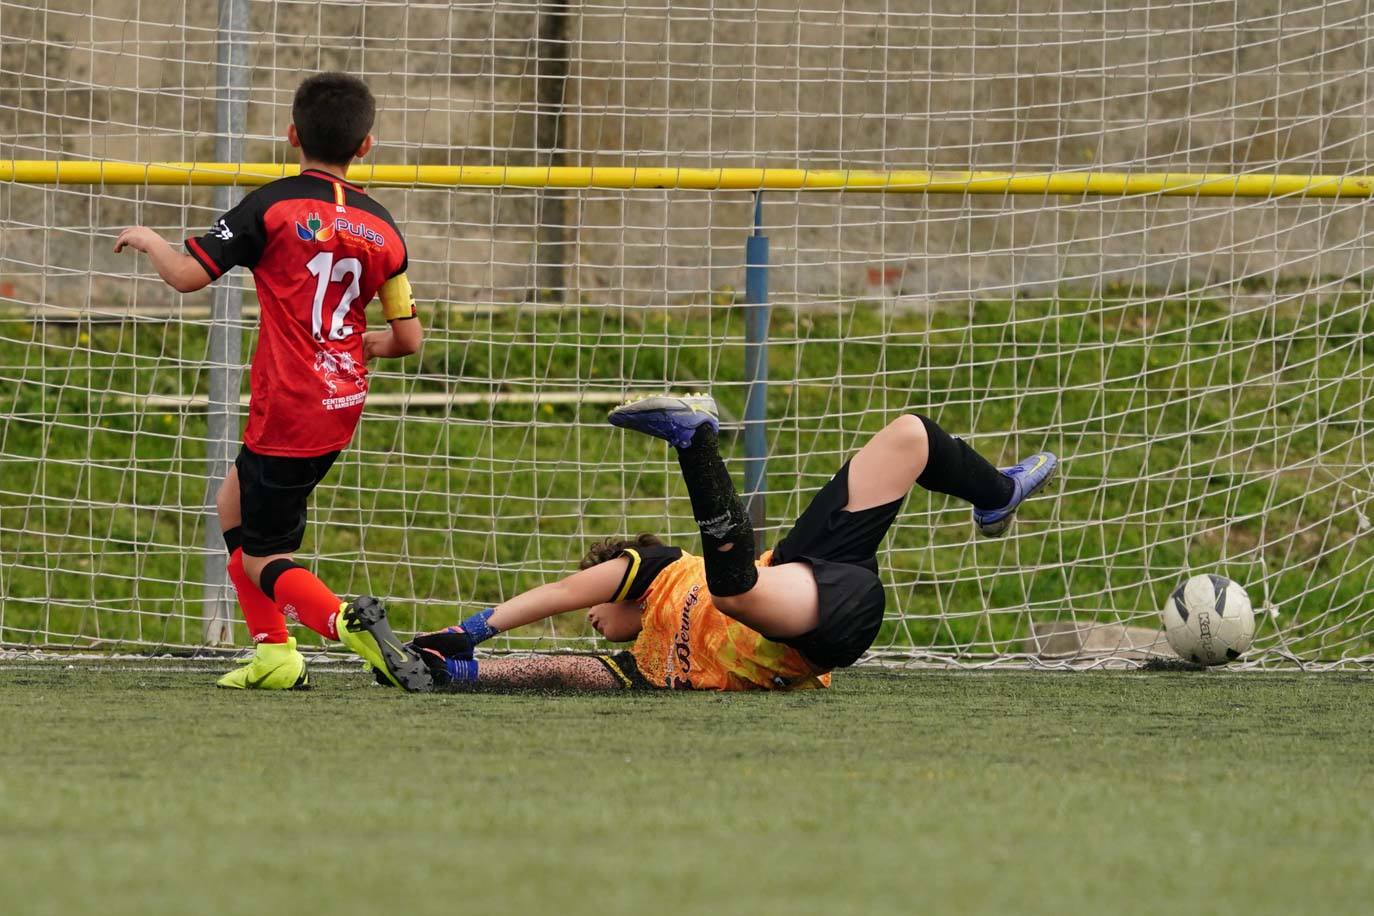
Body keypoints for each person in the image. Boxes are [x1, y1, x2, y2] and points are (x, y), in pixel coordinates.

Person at [360, 394, 1058, 692]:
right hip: (817, 627)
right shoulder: (642, 666)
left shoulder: (657, 570)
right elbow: (560, 670)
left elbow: (565, 594)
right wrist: (458, 668)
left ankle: (995, 494)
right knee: (738, 588)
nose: (593, 626)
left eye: (600, 609)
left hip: (806, 571)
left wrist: (471, 630)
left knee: (908, 436)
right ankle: (695, 441)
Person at [113, 72, 430, 691]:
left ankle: (342, 623)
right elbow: (409, 338)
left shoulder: (273, 205)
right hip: (341, 402)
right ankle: (274, 654)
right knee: (232, 505)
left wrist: (151, 239)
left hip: (288, 406)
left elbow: (186, 275)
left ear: (292, 135)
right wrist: (360, 343)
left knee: (261, 556)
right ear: (365, 145)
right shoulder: (385, 229)